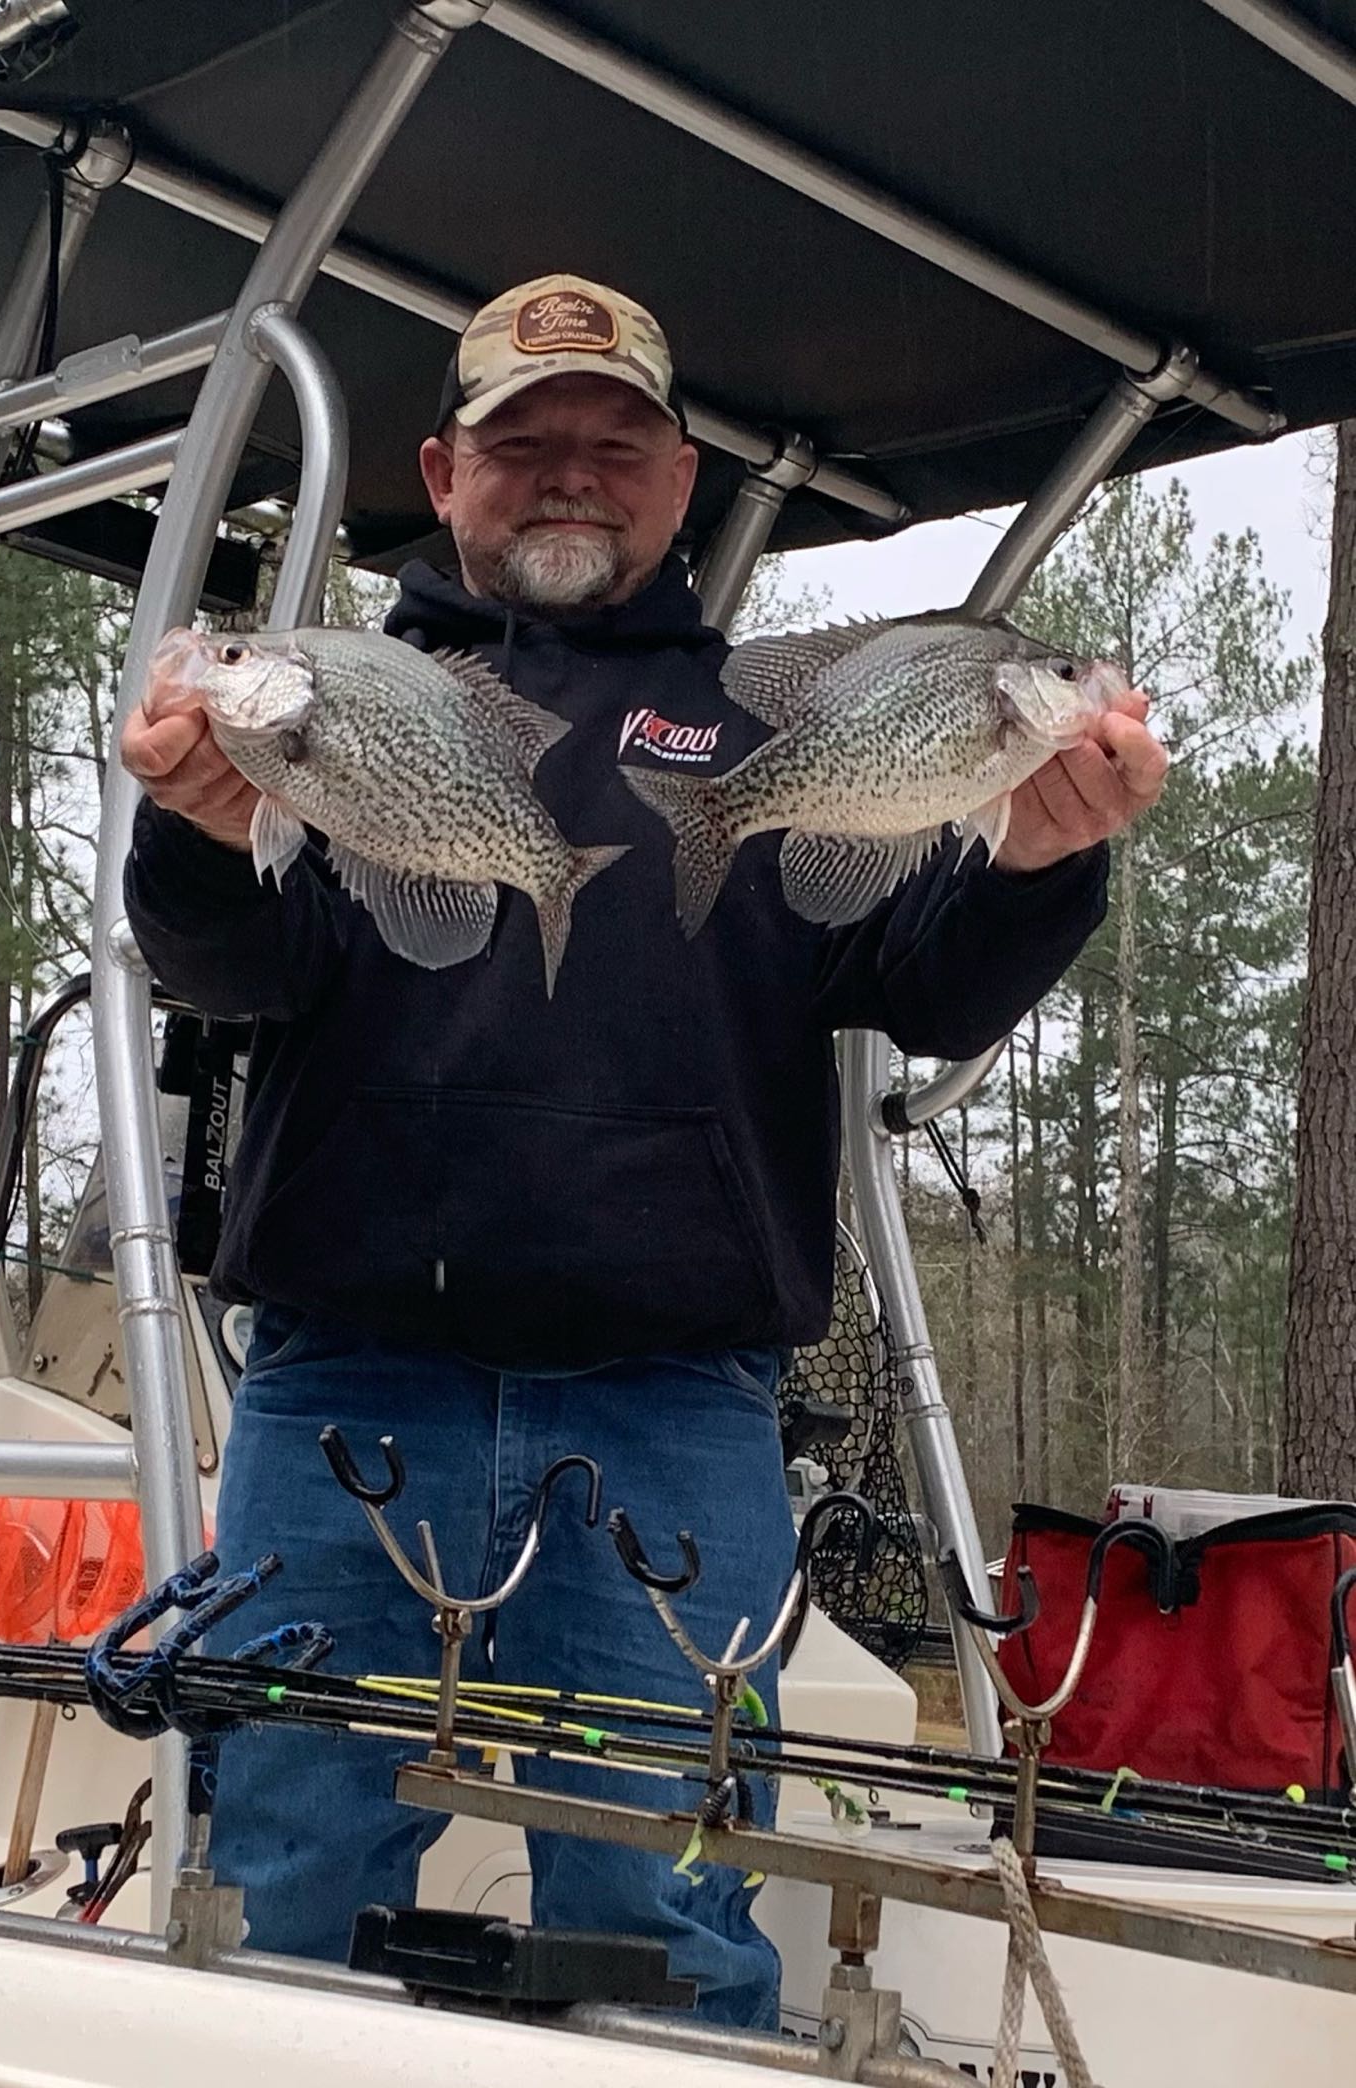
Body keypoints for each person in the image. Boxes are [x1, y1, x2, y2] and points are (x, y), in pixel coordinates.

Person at [121, 272, 1166, 2027]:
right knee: (291, 1875)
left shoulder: (777, 719)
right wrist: (199, 842)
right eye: (525, 445)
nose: (571, 476)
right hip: (345, 1396)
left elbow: (920, 983)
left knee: (670, 1919)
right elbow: (234, 971)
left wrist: (1043, 866)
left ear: (681, 483)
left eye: (616, 443)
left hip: (676, 1412)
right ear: (445, 474)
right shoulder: (330, 698)